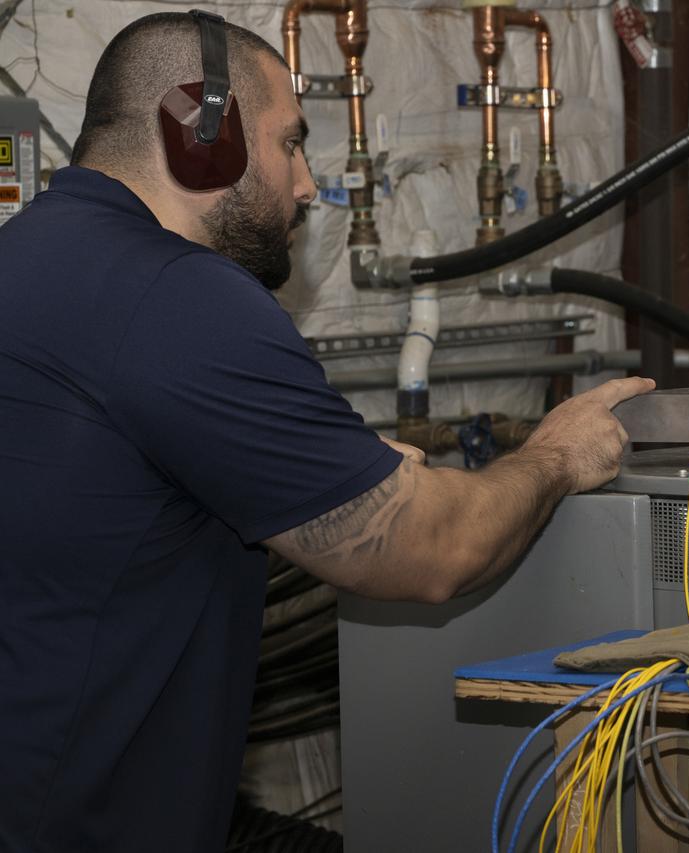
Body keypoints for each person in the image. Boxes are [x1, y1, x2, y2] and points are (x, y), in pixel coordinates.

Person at [0, 12, 652, 852]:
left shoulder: (29, 257)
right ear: (203, 132)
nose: (307, 184)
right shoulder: (180, 298)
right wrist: (559, 454)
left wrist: (335, 475)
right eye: (290, 143)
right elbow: (430, 551)